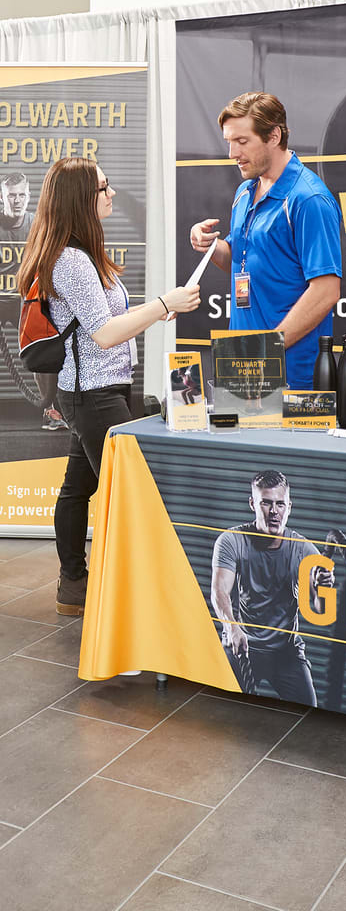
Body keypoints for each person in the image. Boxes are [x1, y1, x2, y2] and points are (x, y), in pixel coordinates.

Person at [16, 157, 200, 615]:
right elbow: (104, 333)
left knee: (79, 488)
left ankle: (73, 587)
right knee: (131, 493)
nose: (112, 193)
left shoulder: (80, 255)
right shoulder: (73, 262)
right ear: (83, 199)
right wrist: (162, 304)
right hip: (94, 396)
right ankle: (131, 596)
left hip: (101, 390)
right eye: (104, 187)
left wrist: (159, 309)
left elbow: (105, 323)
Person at [189, 92, 342, 389]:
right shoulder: (245, 192)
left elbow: (326, 291)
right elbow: (241, 259)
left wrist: (267, 350)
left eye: (242, 142)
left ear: (274, 136)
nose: (232, 153)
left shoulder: (309, 198)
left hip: (290, 373)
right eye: (229, 142)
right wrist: (211, 246)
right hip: (242, 360)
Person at [211, 469, 334, 705]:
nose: (274, 512)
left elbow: (319, 611)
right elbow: (219, 591)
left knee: (310, 715)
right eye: (266, 503)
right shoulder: (231, 540)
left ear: (289, 506)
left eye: (280, 504)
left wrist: (321, 590)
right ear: (253, 504)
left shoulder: (304, 551)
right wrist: (231, 627)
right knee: (222, 709)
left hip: (286, 652)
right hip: (243, 644)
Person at [2, 171, 64, 430]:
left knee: (42, 347)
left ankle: (50, 409)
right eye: (11, 196)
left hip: (26, 298)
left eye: (21, 195)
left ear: (28, 196)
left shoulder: (40, 225)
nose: (16, 201)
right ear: (1, 197)